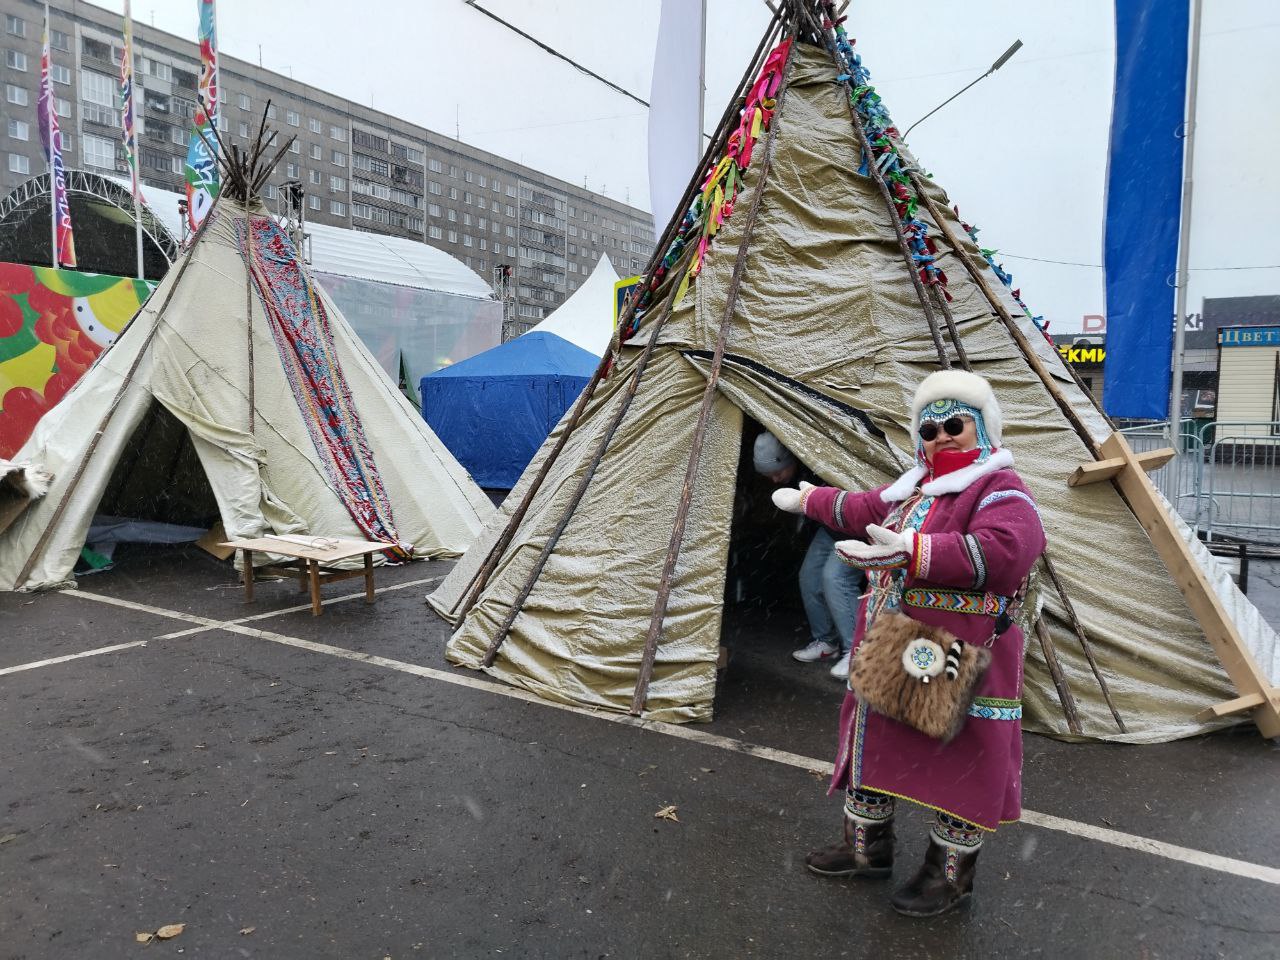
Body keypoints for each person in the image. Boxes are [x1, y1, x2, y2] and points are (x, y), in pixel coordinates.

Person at [770, 371, 1045, 917]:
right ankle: (866, 848)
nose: (941, 436)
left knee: (961, 762)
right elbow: (863, 508)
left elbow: (1010, 548)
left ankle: (950, 876)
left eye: (954, 425)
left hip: (959, 646)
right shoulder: (916, 486)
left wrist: (915, 552)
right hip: (899, 640)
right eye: (929, 428)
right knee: (875, 739)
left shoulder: (999, 487)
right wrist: (811, 499)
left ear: (981, 430)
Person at [752, 432, 865, 677]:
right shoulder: (793, 472)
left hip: (855, 525)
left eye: (777, 472)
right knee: (809, 577)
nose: (774, 479)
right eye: (768, 475)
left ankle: (859, 653)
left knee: (835, 579)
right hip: (829, 529)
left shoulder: (816, 460)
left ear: (789, 459)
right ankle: (826, 641)